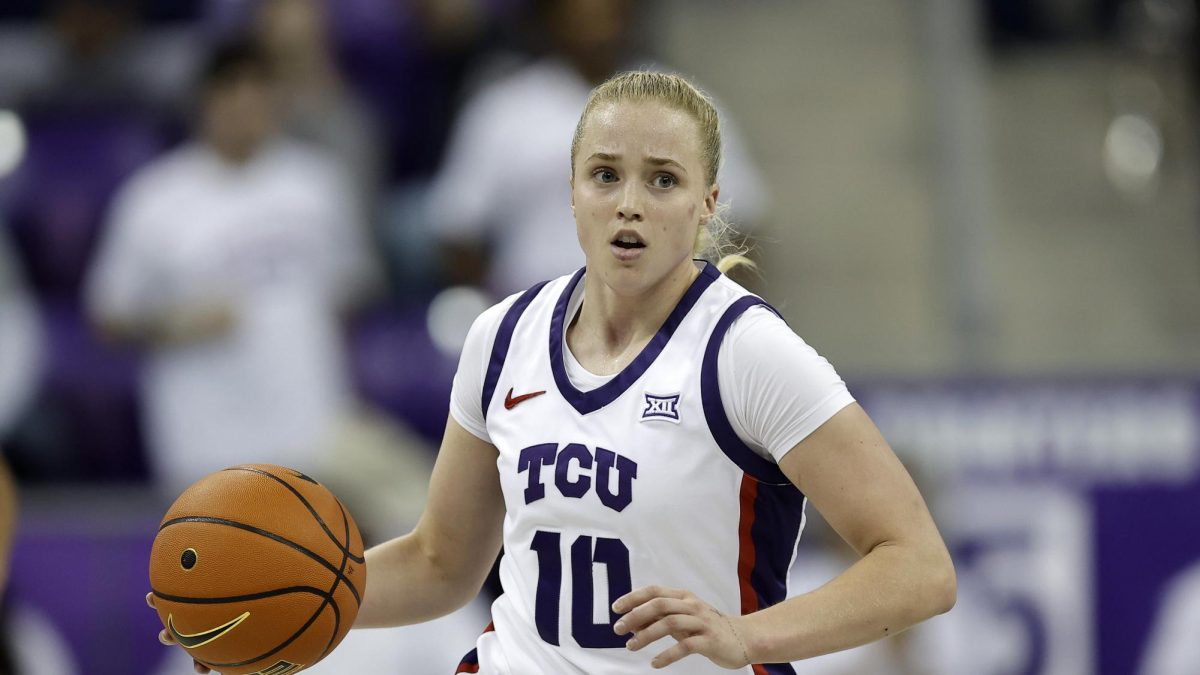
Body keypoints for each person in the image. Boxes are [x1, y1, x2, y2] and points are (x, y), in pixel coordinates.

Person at [156, 71, 954, 674]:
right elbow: (440, 563)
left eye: (663, 180)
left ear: (707, 204)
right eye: (605, 175)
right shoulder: (502, 337)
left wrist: (747, 634)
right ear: (571, 193)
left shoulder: (745, 350)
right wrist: (261, 601)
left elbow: (918, 567)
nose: (629, 203)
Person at [85, 40, 377, 499]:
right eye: (232, 89)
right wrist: (172, 322)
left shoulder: (317, 185)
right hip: (203, 434)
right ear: (205, 100)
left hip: (310, 426)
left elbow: (348, 294)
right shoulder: (155, 198)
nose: (246, 105)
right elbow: (107, 312)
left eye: (260, 88)